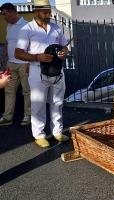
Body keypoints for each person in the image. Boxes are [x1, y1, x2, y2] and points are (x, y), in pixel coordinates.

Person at [15, 0, 69, 148]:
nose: (48, 15)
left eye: (49, 12)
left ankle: (57, 131)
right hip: (37, 71)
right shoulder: (26, 29)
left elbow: (65, 47)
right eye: (45, 13)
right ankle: (39, 135)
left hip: (57, 70)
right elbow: (18, 53)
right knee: (38, 104)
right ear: (35, 12)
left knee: (57, 102)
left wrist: (64, 52)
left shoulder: (56, 28)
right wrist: (37, 57)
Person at [0, 3, 30, 126]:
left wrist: (30, 62)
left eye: (5, 14)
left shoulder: (27, 25)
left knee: (27, 91)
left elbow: (33, 45)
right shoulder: (9, 26)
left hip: (24, 64)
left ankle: (28, 116)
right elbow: (8, 43)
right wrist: (3, 58)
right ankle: (7, 117)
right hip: (11, 63)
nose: (4, 17)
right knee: (9, 90)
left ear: (13, 12)